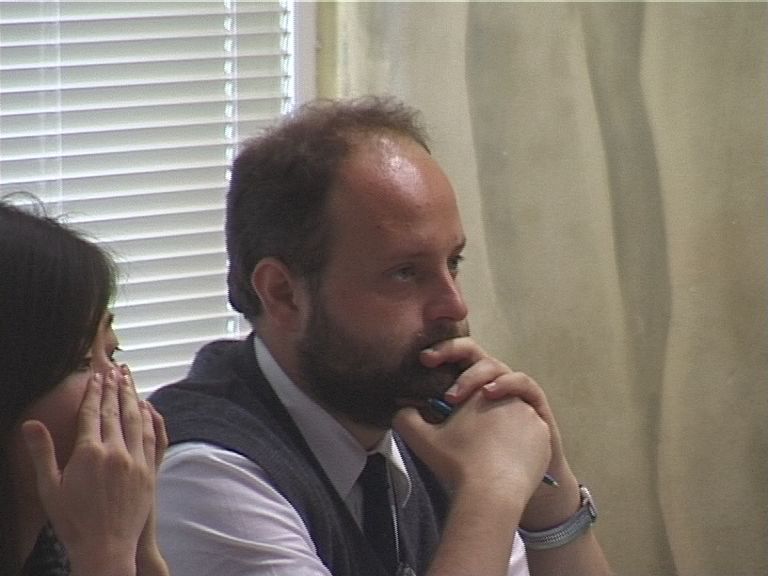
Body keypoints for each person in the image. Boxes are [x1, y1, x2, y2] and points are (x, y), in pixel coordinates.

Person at [150, 96, 613, 576]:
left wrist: (549, 501)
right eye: (405, 272)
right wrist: (492, 490)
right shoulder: (203, 475)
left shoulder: (421, 414)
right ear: (284, 294)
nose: (454, 305)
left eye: (453, 262)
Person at [0, 197, 170, 576]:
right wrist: (108, 554)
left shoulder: (51, 546)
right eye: (82, 362)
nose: (118, 385)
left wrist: (139, 546)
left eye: (112, 353)